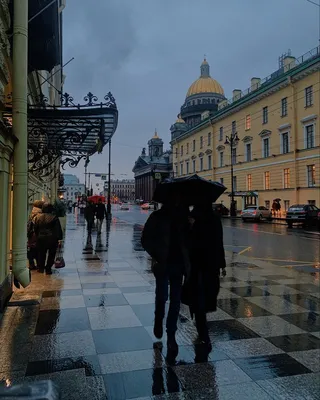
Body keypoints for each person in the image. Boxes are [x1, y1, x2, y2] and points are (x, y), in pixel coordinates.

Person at [141, 200, 190, 358]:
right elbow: (145, 239)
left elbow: (190, 241)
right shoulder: (157, 216)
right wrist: (157, 254)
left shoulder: (184, 218)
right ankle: (158, 318)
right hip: (162, 263)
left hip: (179, 264)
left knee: (176, 301)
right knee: (162, 296)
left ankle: (171, 335)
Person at [182, 202, 226, 351]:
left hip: (197, 265)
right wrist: (221, 264)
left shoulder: (192, 217)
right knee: (206, 293)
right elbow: (219, 242)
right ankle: (203, 328)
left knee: (197, 295)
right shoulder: (214, 217)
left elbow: (187, 241)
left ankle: (202, 329)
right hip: (210, 264)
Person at [33, 203, 63, 275]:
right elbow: (58, 229)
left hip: (41, 238)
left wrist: (37, 235)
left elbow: (35, 228)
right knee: (51, 254)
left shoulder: (37, 217)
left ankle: (41, 268)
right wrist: (59, 239)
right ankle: (48, 268)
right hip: (52, 239)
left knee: (41, 254)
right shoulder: (54, 217)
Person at [27, 200, 44, 270]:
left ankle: (32, 264)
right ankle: (37, 265)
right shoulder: (40, 214)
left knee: (31, 249)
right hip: (37, 234)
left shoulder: (33, 212)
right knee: (37, 250)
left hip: (31, 234)